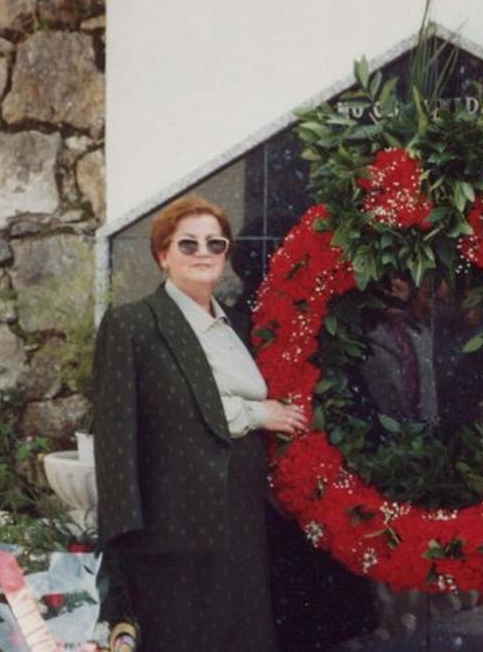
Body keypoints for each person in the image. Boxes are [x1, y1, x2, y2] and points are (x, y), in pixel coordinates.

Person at [92, 194, 307, 651]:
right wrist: (122, 541)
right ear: (162, 255)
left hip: (242, 516)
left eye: (215, 243)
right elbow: (117, 437)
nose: (203, 253)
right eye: (187, 244)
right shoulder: (133, 324)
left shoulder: (236, 326)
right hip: (172, 526)